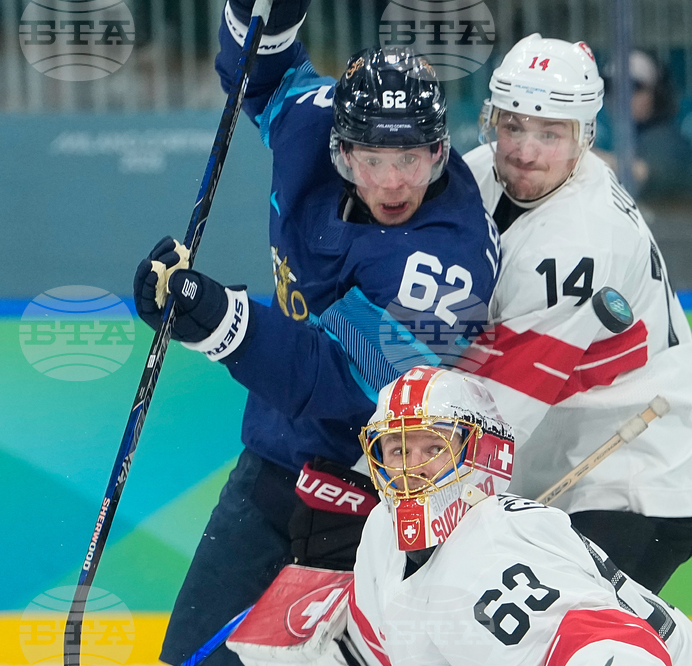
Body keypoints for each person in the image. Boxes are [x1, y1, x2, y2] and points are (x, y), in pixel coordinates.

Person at [131, 2, 499, 664]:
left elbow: (343, 384)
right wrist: (263, 15)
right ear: (340, 146)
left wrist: (217, 319)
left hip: (385, 501)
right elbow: (261, 74)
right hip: (274, 466)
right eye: (372, 159)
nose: (392, 182)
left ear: (440, 153)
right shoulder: (311, 122)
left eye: (412, 159)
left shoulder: (448, 266)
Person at [461, 34, 692, 594]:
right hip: (567, 456)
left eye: (550, 133)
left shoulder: (578, 240)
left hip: (636, 473)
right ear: (491, 120)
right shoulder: (476, 173)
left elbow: (494, 415)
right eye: (513, 126)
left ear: (585, 136)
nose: (525, 151)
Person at [348, 366, 692, 666]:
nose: (413, 469)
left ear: (480, 455)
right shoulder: (382, 535)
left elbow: (614, 648)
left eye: (435, 447)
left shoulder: (493, 552)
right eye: (397, 450)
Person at [595, 49, 692, 233]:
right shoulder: (625, 138)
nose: (620, 96)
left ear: (657, 93)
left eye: (633, 87)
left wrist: (579, 157)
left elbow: (641, 172)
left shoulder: (667, 139)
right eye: (610, 87)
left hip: (675, 252)